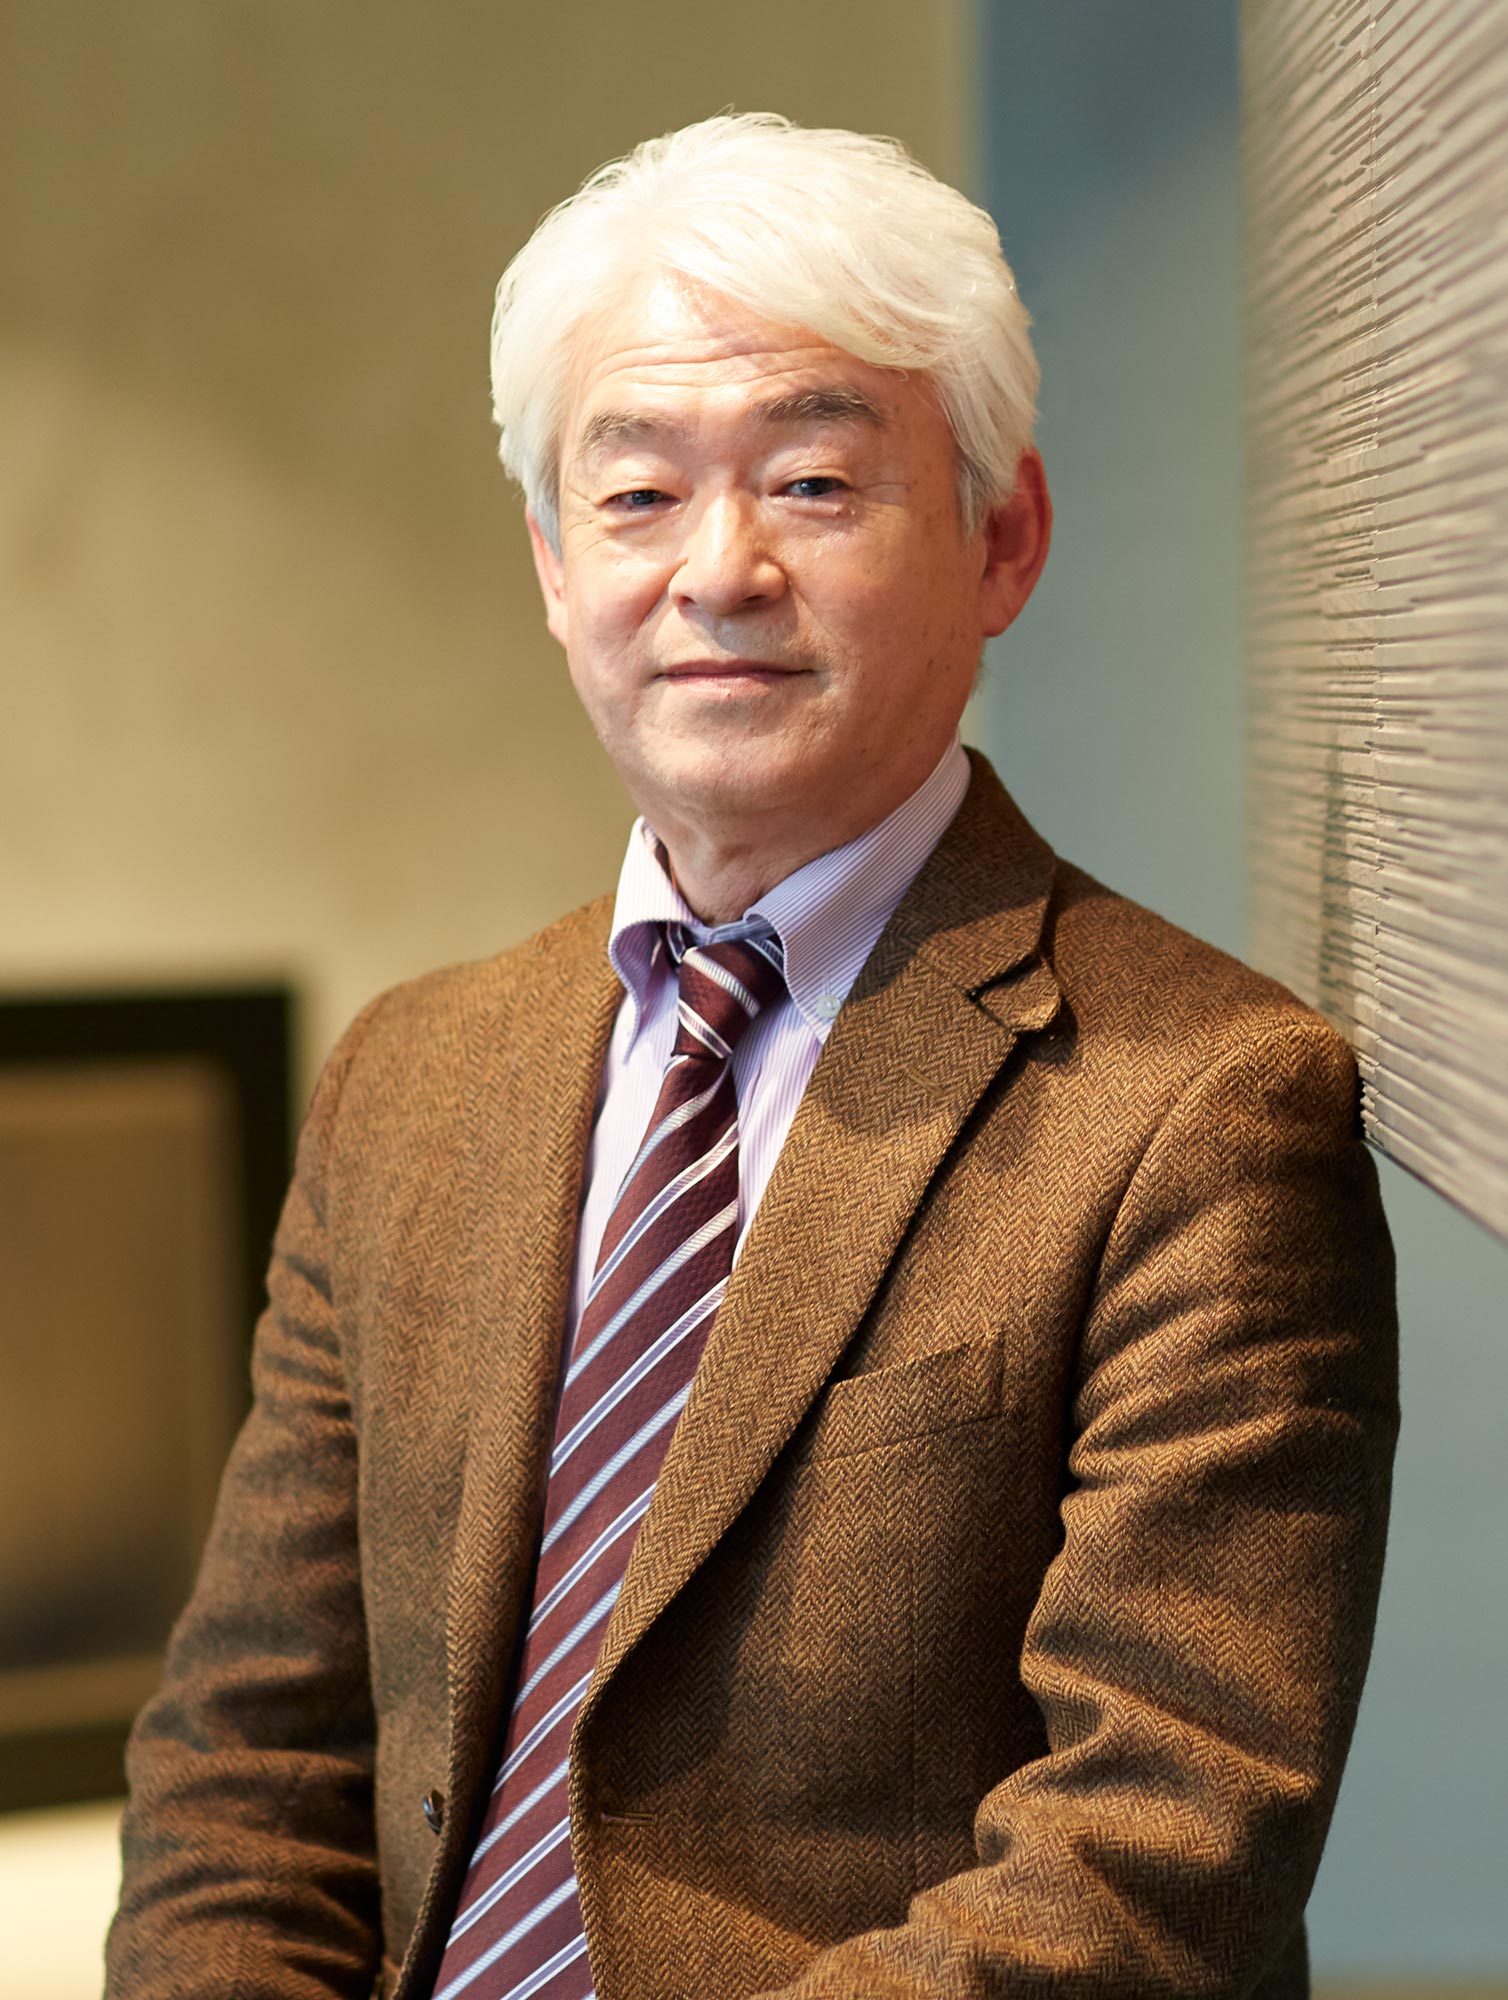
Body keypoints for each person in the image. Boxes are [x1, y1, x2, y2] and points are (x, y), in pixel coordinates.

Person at [105, 114, 1398, 2000]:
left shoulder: (1208, 1105)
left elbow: (1156, 1864)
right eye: (633, 499)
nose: (719, 571)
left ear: (1002, 537)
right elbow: (250, 1762)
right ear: (554, 567)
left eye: (810, 483)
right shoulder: (408, 1076)